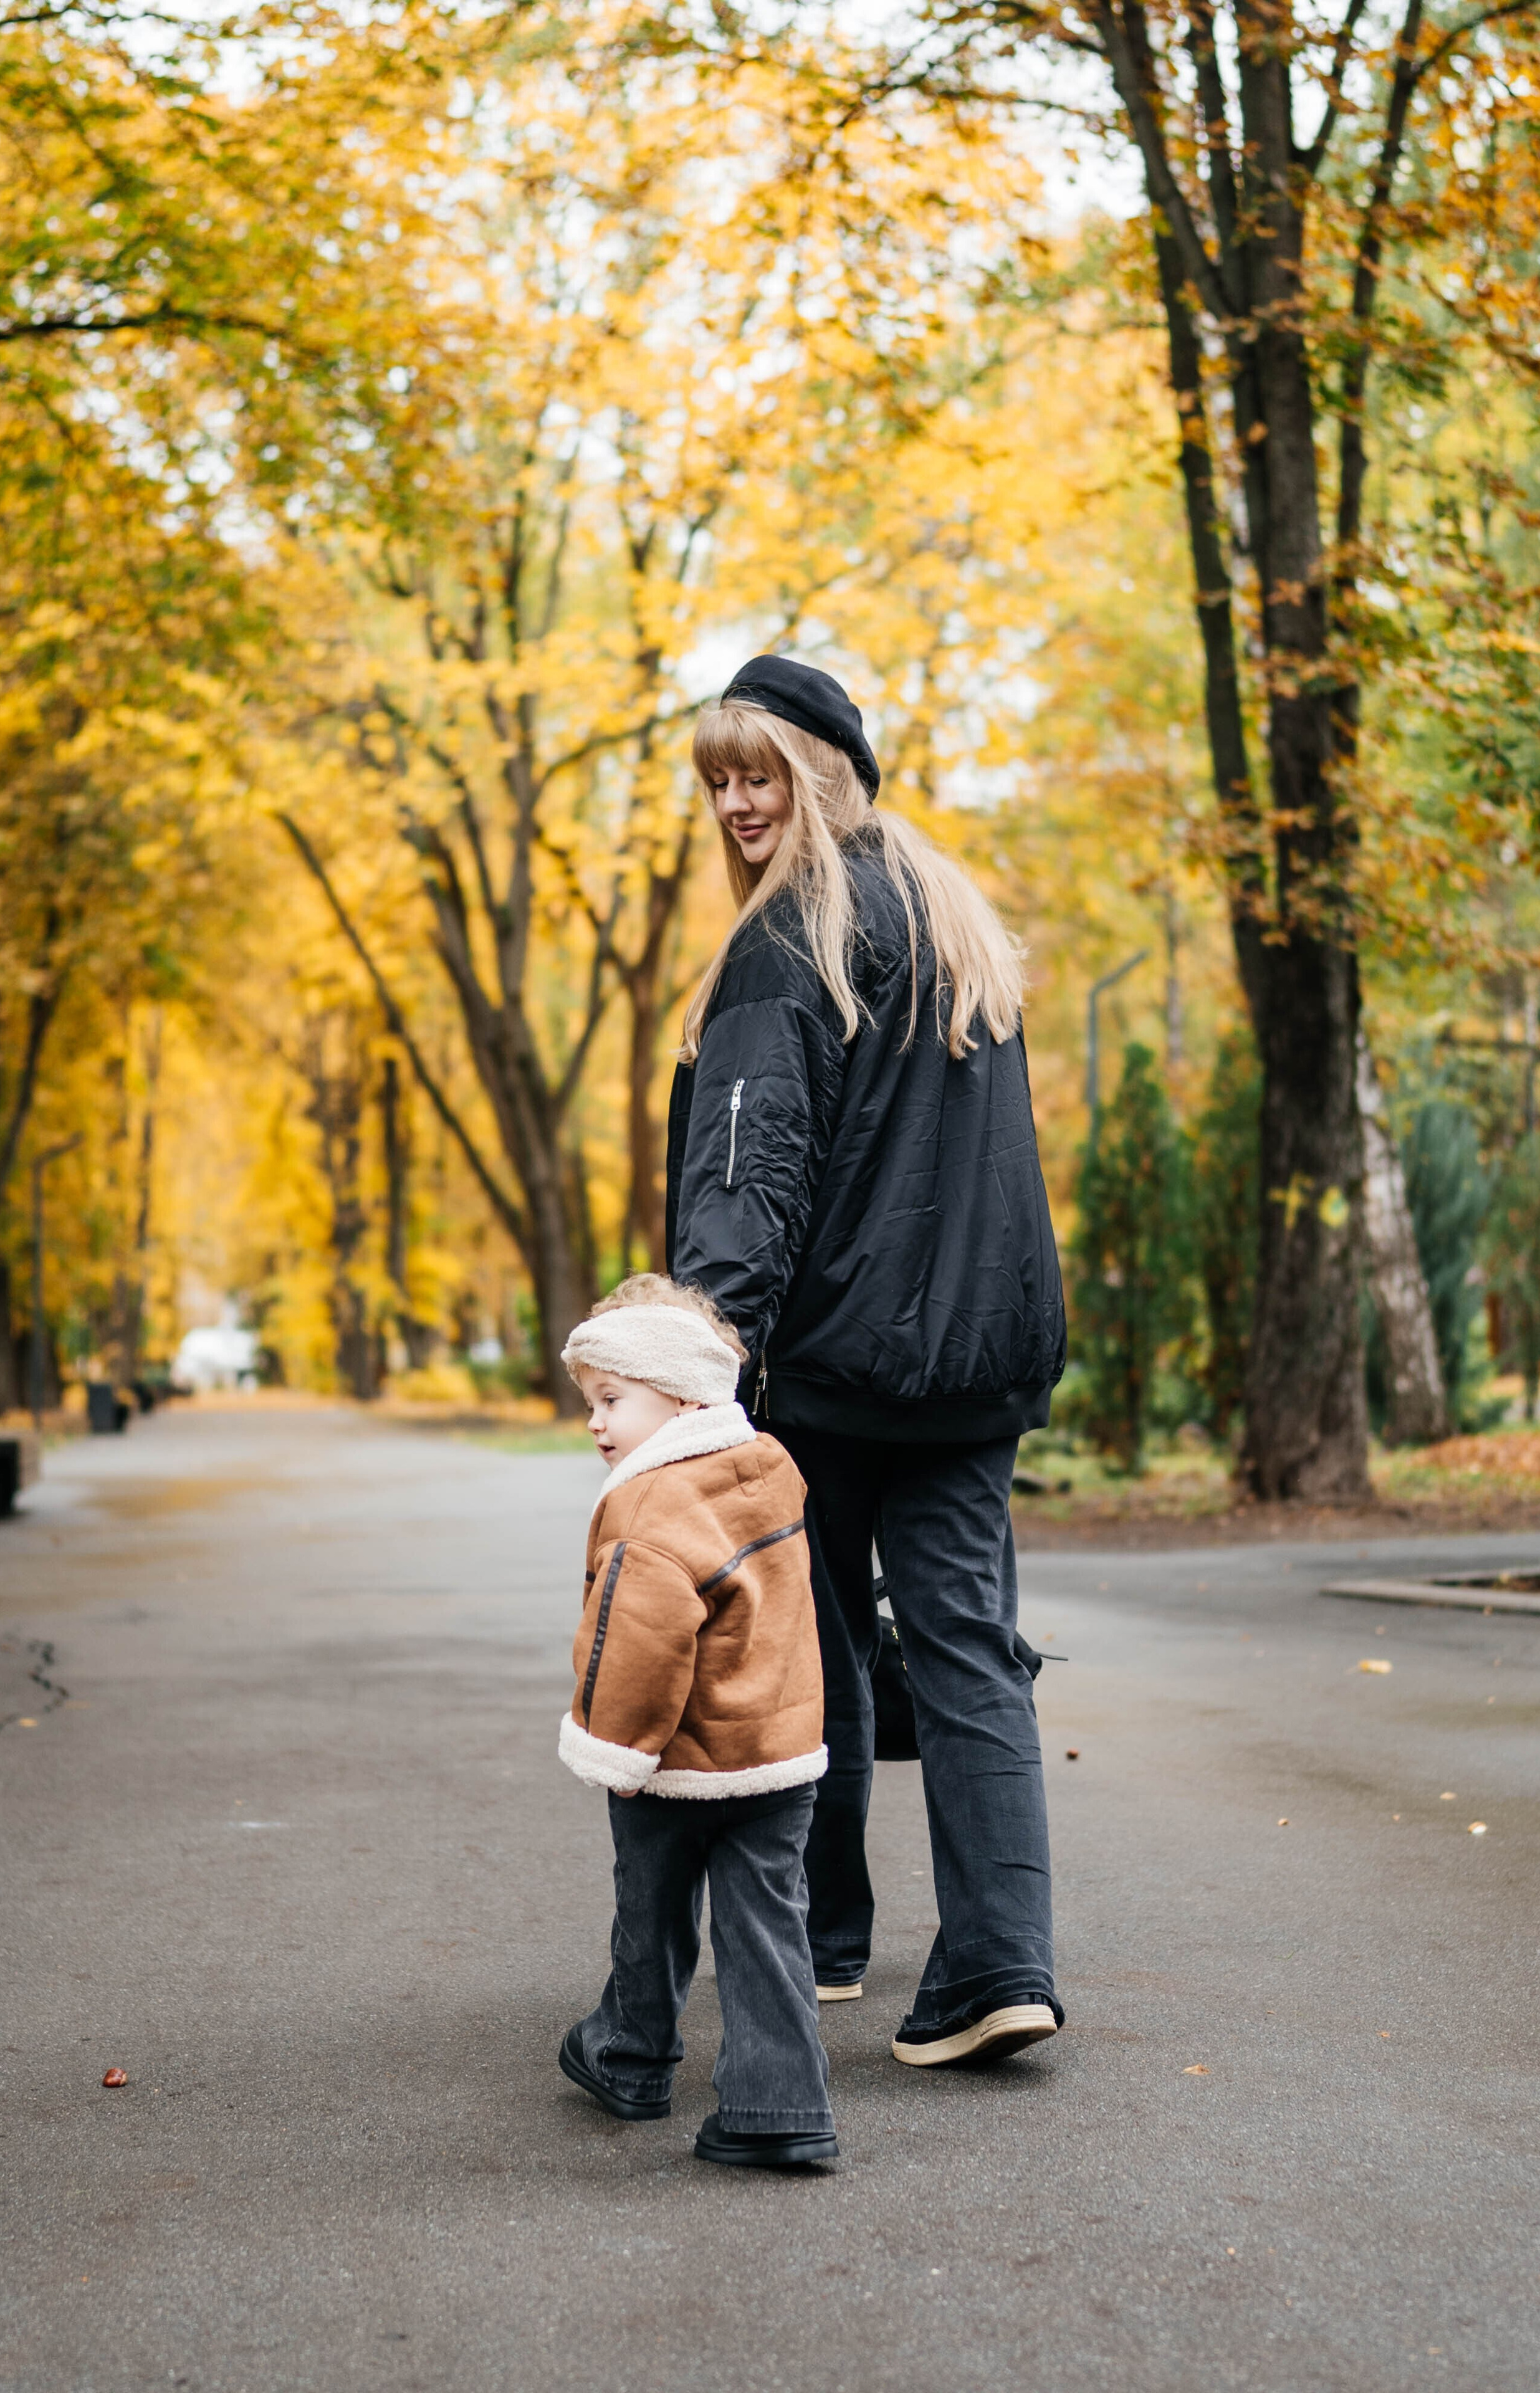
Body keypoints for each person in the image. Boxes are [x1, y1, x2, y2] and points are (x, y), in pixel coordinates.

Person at [664, 654, 1068, 2067]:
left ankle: (827, 1944)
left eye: (758, 771)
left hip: (831, 1368)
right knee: (970, 1652)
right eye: (717, 777)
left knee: (809, 1650)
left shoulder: (788, 939)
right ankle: (1000, 1965)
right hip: (971, 1363)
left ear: (822, 770)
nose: (734, 801)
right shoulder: (951, 917)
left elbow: (747, 1171)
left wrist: (698, 1358)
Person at [555, 1273, 838, 2169]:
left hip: (674, 1763)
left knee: (653, 1913)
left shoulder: (645, 1511)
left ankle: (632, 2057)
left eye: (613, 1399)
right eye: (592, 1404)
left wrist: (615, 1751)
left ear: (680, 1394)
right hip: (777, 1758)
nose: (597, 1423)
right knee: (768, 1930)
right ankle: (780, 2106)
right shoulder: (767, 1470)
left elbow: (635, 1650)